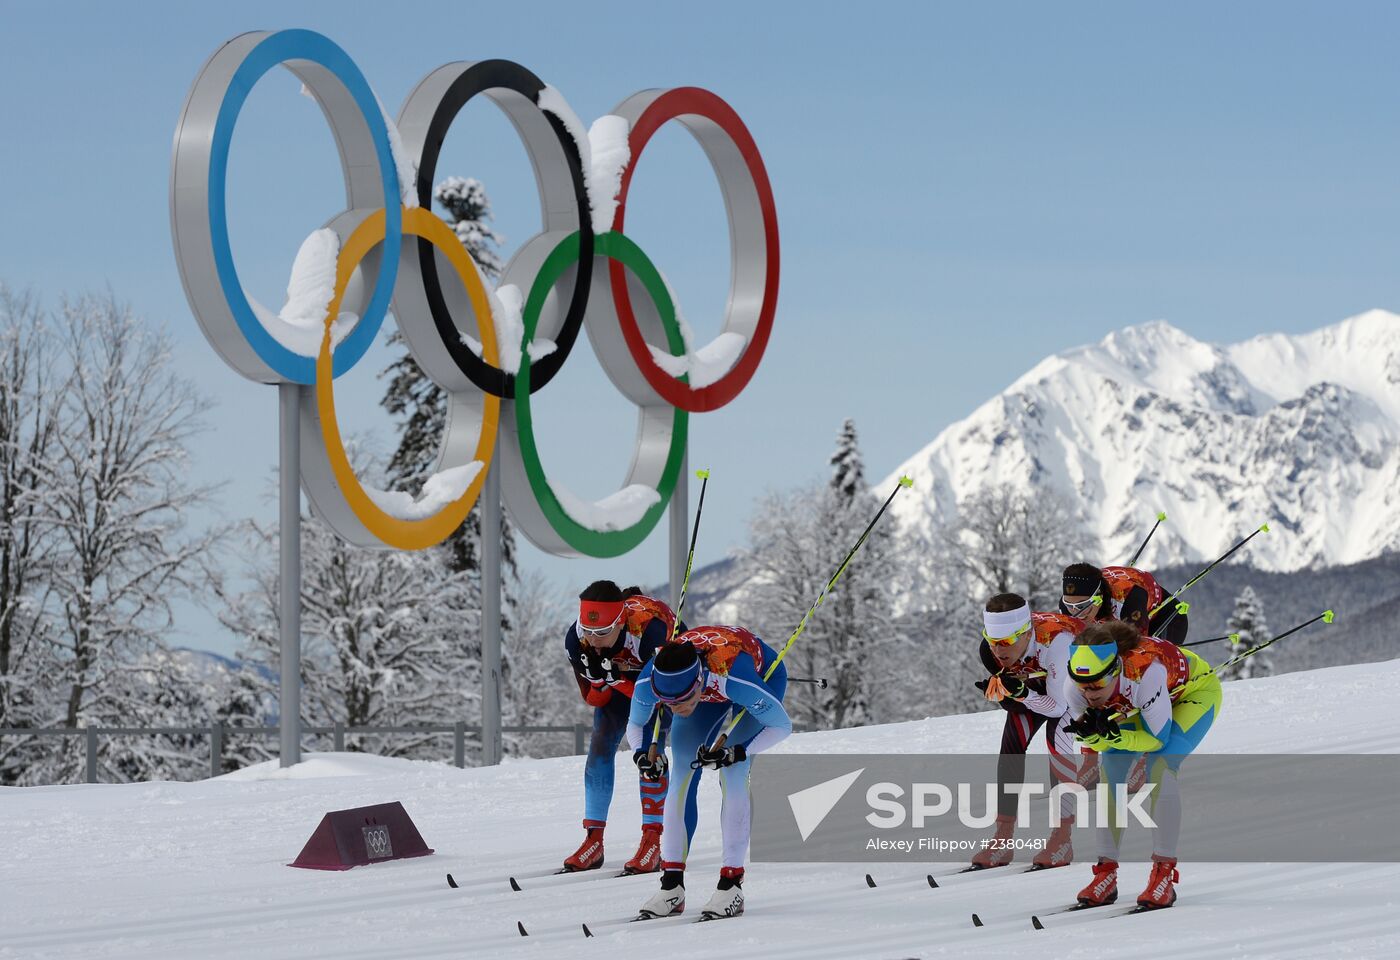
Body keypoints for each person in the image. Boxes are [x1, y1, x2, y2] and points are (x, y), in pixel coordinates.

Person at [626, 626, 791, 920]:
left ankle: (731, 885)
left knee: (732, 772)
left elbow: (781, 726)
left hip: (760, 673)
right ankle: (671, 887)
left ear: (699, 680)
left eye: (683, 699)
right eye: (669, 703)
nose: (676, 709)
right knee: (681, 777)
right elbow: (636, 724)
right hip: (707, 694)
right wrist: (641, 754)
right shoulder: (650, 682)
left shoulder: (735, 678)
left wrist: (738, 751)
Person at [1064, 620, 1223, 910]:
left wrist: (1115, 734)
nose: (1089, 693)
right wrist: (1098, 736)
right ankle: (1105, 873)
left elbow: (1157, 741)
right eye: (1083, 685)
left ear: (1114, 670)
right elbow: (1103, 746)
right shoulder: (1075, 688)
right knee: (1110, 768)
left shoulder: (1145, 673)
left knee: (1160, 768)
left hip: (1192, 695)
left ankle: (1164, 875)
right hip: (1143, 704)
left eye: (1098, 683)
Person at [561, 581, 681, 874]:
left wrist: (615, 680)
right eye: (588, 631)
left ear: (621, 623)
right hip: (623, 682)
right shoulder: (577, 640)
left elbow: (656, 696)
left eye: (602, 633)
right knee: (600, 749)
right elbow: (593, 699)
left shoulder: (650, 631)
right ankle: (593, 840)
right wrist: (600, 680)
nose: (594, 640)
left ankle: (652, 841)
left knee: (648, 754)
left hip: (663, 683)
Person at [970, 594, 1087, 870]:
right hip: (1041, 687)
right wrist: (1007, 695)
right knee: (1011, 743)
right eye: (992, 639)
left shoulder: (1058, 643)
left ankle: (1062, 838)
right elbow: (1015, 701)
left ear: (1026, 632)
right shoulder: (990, 651)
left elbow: (1058, 707)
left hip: (1074, 689)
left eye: (1007, 641)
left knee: (1057, 741)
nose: (999, 650)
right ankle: (1003, 837)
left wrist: (1021, 693)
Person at [1060, 562, 1188, 643]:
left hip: (1165, 617)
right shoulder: (1068, 606)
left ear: (1098, 597)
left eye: (1082, 606)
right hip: (1114, 618)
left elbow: (1137, 649)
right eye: (1069, 606)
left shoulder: (1128, 600)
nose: (1076, 613)